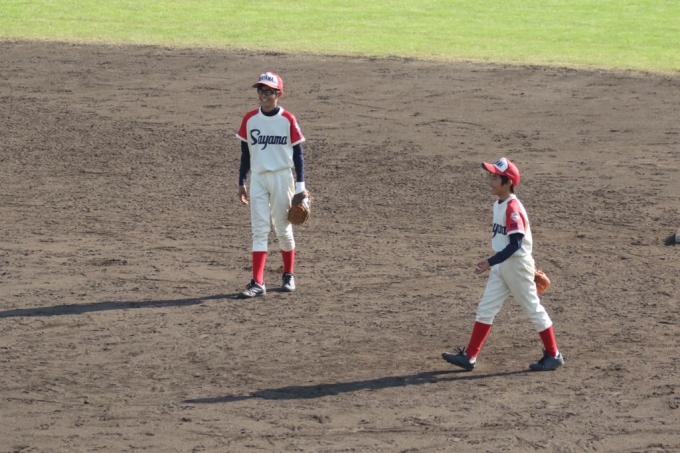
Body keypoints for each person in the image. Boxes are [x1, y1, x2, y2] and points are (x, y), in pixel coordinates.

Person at [442, 157, 564, 371]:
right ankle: (469, 356)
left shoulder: (512, 208)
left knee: (533, 309)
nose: (490, 181)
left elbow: (516, 245)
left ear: (507, 182)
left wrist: (489, 262)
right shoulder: (499, 204)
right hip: (502, 264)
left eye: (494, 178)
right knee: (486, 308)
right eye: (490, 176)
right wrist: (494, 263)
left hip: (516, 265)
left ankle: (553, 355)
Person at [235, 72, 308, 298]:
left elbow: (298, 155)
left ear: (279, 94)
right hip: (258, 178)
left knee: (283, 227)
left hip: (281, 177)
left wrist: (300, 187)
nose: (263, 95)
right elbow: (246, 154)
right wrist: (242, 180)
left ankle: (288, 274)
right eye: (261, 90)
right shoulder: (250, 119)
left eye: (268, 91)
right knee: (259, 229)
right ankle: (258, 282)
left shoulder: (287, 119)